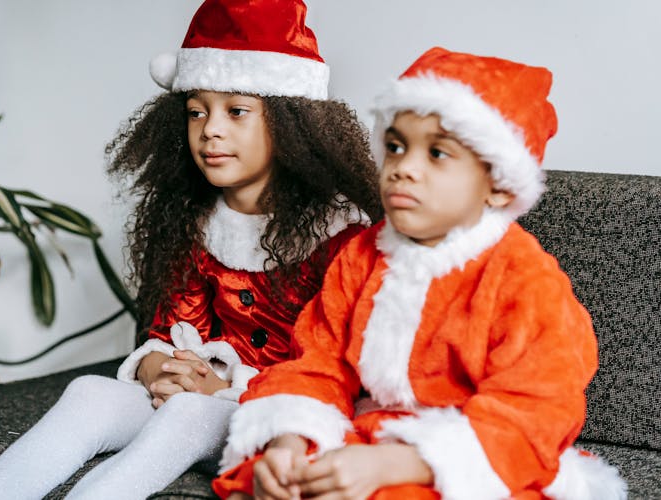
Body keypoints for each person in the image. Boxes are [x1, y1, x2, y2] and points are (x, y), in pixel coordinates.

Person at [0, 1, 382, 499]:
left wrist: (220, 389)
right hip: (199, 393)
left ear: (292, 122)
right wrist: (158, 367)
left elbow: (333, 374)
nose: (211, 130)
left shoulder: (342, 234)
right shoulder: (196, 219)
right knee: (89, 392)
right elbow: (172, 326)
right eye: (196, 111)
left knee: (189, 410)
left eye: (237, 110)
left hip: (282, 414)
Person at [213, 47, 627, 500]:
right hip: (371, 436)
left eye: (437, 154)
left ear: (499, 186)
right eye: (395, 147)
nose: (403, 169)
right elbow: (315, 362)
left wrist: (397, 463)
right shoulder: (360, 255)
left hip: (477, 458)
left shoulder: (526, 280)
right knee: (266, 481)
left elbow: (534, 411)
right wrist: (288, 439)